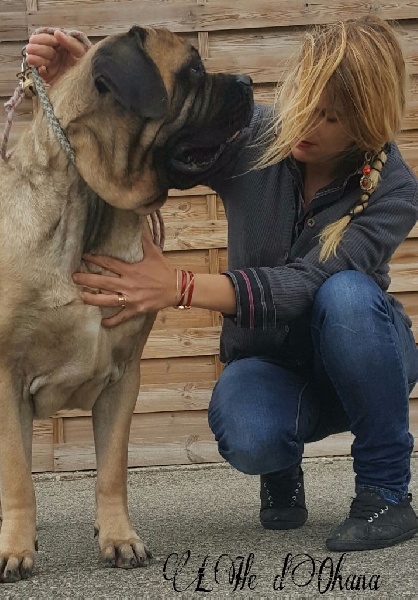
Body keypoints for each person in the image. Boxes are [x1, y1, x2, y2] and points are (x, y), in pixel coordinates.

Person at [27, 16, 418, 552]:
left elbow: (309, 282)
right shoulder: (258, 136)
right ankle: (280, 465)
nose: (305, 123)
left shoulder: (394, 188)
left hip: (366, 357)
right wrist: (94, 79)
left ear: (367, 125)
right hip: (272, 364)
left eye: (329, 117)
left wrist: (180, 286)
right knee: (249, 431)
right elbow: (169, 123)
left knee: (345, 293)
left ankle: (386, 492)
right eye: (302, 101)